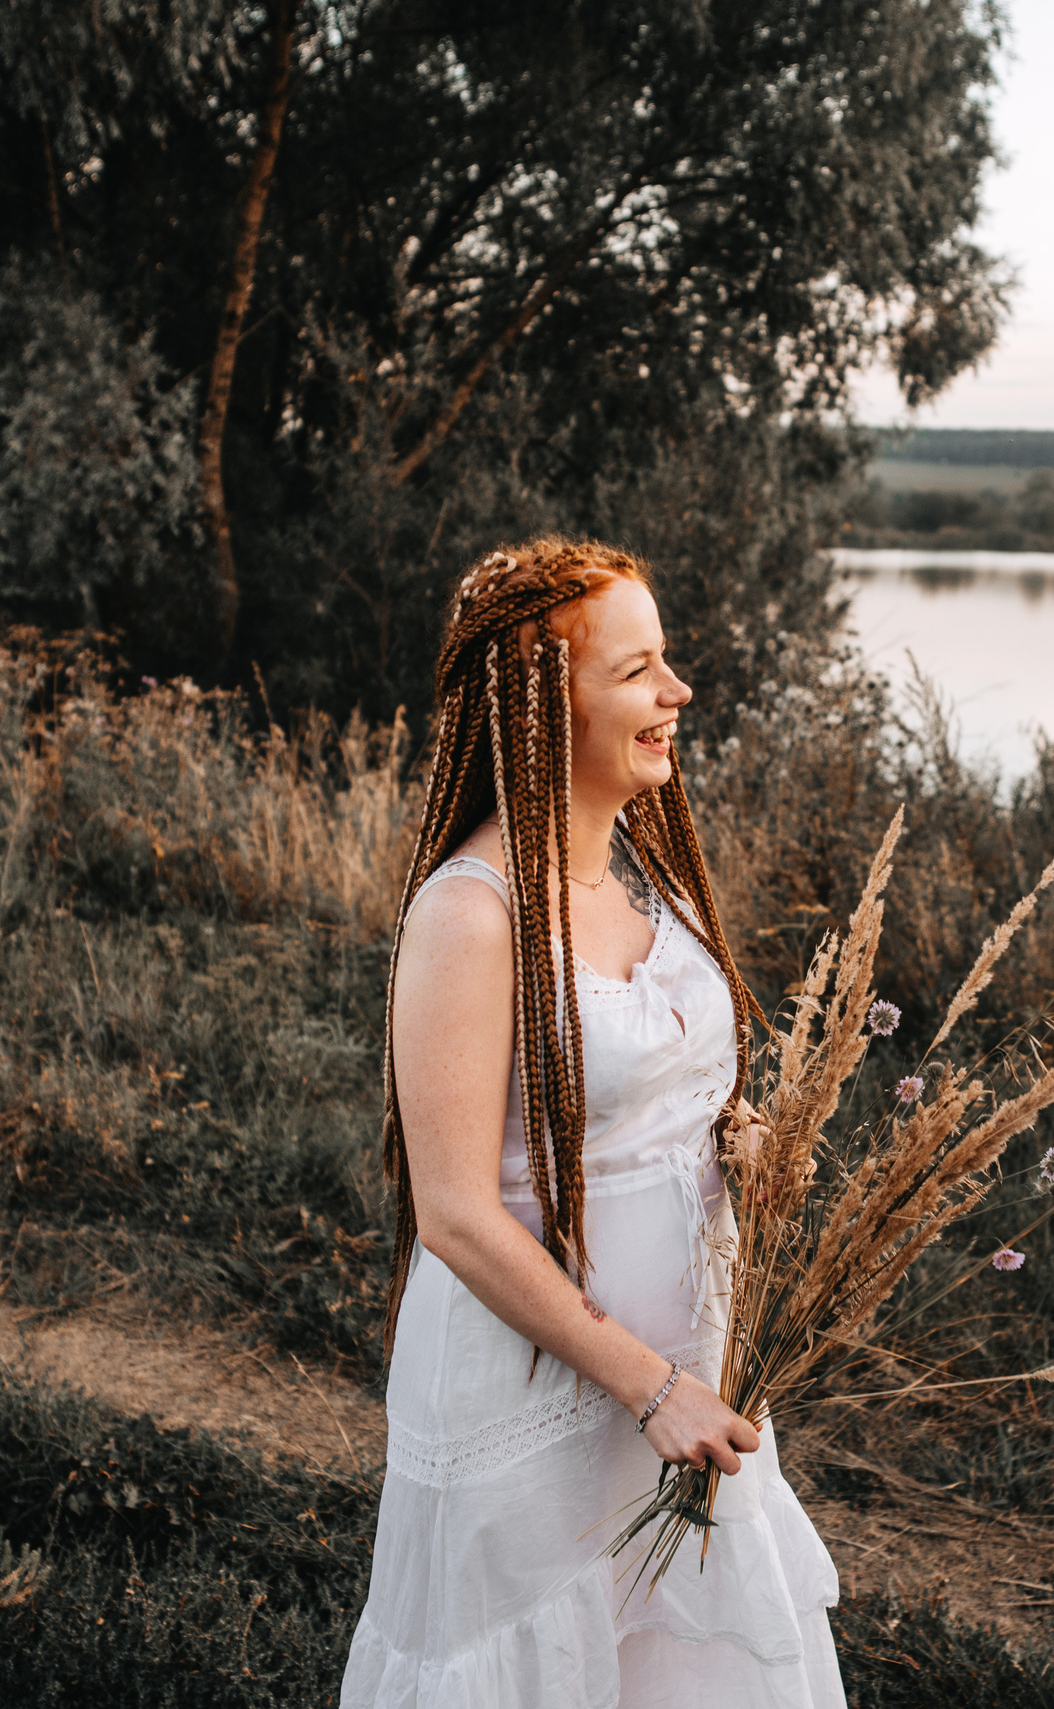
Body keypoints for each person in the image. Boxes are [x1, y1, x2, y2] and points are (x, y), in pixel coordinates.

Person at [341, 538, 846, 1708]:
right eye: (638, 670)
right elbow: (454, 1213)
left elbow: (659, 1102)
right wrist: (648, 1386)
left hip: (689, 1379)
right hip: (541, 1400)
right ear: (541, 707)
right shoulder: (473, 914)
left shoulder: (644, 881)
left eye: (665, 661)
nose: (678, 691)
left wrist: (741, 1145)